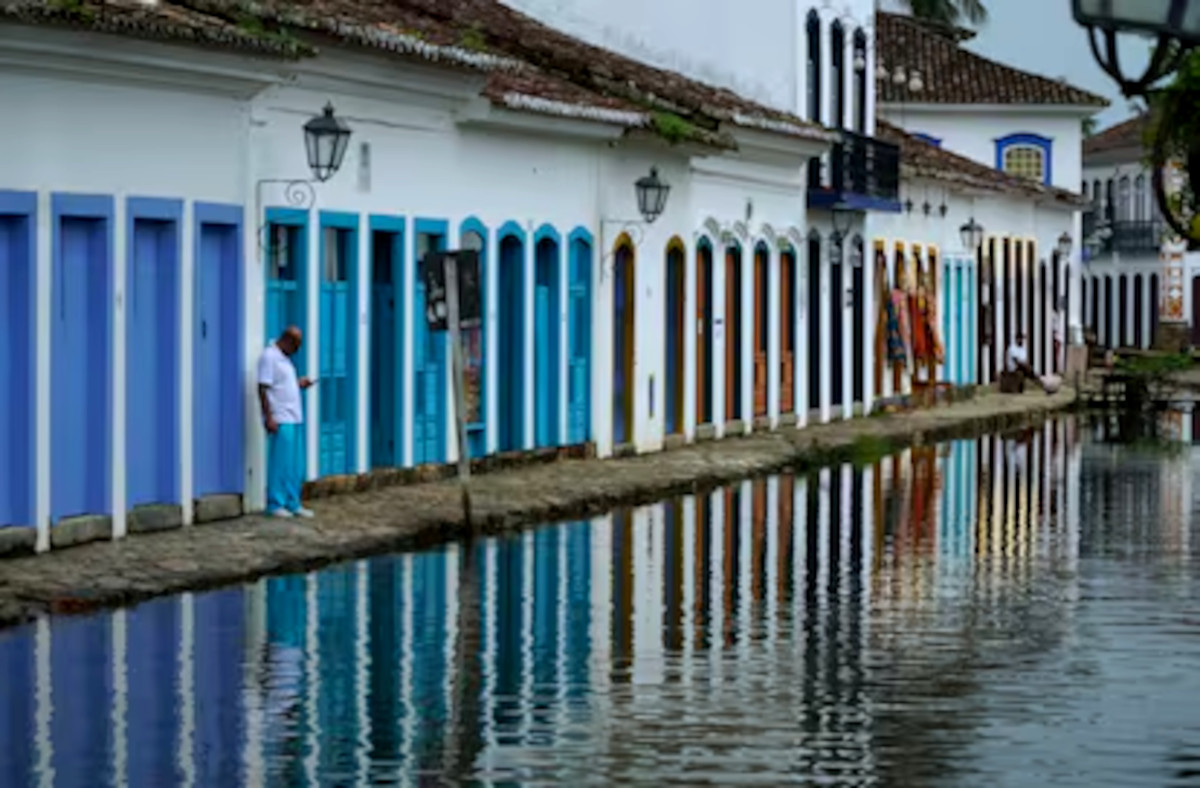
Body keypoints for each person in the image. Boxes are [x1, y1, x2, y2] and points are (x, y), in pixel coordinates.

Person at [258, 326, 316, 518]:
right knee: (280, 463)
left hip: (295, 416)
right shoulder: (269, 356)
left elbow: (282, 385)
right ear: (287, 340)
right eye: (296, 346)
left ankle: (293, 502)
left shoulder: (284, 359)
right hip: (281, 417)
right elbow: (263, 388)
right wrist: (269, 417)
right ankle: (275, 503)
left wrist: (299, 383)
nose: (296, 351)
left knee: (294, 465)